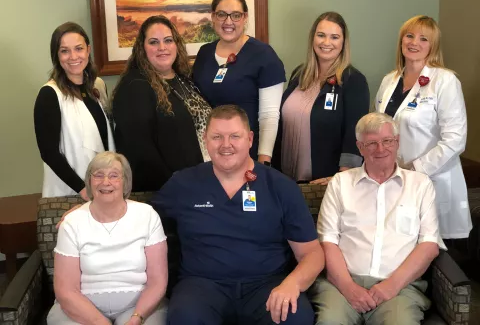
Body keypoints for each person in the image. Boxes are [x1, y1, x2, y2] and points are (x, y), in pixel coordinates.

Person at [152, 105, 324, 325]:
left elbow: (313, 254)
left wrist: (293, 284)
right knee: (185, 317)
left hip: (266, 285)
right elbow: (142, 220)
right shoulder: (183, 184)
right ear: (205, 139)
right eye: (217, 137)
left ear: (250, 139)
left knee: (294, 317)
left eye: (235, 136)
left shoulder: (281, 187)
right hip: (202, 286)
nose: (226, 145)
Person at [310, 112, 445, 325]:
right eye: (371, 143)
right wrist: (348, 287)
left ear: (397, 142)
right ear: (360, 147)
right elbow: (328, 241)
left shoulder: (420, 185)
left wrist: (390, 286)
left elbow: (429, 246)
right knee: (330, 322)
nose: (381, 149)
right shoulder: (340, 183)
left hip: (400, 287)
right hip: (342, 285)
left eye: (387, 141)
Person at [375, 15, 471, 239]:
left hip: (432, 180)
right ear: (401, 41)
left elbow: (455, 139)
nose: (414, 42)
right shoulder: (389, 81)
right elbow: (379, 129)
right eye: (409, 35)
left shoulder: (445, 81)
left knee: (433, 252)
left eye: (423, 38)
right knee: (398, 245)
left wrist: (416, 169)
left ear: (433, 46)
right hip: (393, 180)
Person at [47, 151, 168, 325]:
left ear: (125, 181)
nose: (105, 182)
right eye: (98, 175)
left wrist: (136, 318)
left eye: (114, 176)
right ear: (89, 181)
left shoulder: (147, 216)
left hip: (138, 307)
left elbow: (158, 281)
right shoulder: (72, 222)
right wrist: (100, 323)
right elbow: (66, 290)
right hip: (82, 308)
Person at [112, 15, 211, 192]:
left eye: (168, 40)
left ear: (176, 44)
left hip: (202, 183)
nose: (162, 47)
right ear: (142, 48)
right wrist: (174, 186)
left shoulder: (184, 79)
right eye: (153, 42)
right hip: (168, 191)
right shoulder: (135, 86)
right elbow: (139, 151)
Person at [273, 12, 369, 185]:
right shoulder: (299, 74)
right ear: (313, 38)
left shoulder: (353, 80)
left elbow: (356, 133)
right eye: (321, 35)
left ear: (343, 42)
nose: (326, 43)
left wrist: (343, 179)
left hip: (324, 182)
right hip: (286, 179)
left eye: (334, 37)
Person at [193, 0, 286, 163]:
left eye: (235, 15)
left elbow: (269, 116)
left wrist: (263, 161)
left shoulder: (264, 55)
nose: (228, 21)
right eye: (222, 14)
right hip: (210, 156)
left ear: (245, 17)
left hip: (248, 156)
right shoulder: (204, 53)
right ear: (213, 17)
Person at [34, 22, 114, 200]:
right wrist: (83, 189)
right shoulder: (49, 94)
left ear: (88, 50)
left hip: (104, 189)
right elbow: (49, 152)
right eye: (64, 51)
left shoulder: (96, 87)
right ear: (56, 55)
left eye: (79, 48)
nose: (73, 56)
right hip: (72, 194)